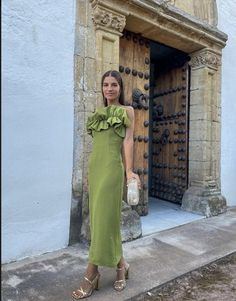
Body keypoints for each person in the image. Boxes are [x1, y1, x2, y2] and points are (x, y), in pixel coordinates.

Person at [72, 70, 141, 299]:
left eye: (114, 84)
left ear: (120, 88)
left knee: (104, 221)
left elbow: (128, 141)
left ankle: (91, 274)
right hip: (95, 171)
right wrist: (88, 176)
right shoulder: (98, 113)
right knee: (104, 223)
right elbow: (96, 147)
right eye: (106, 84)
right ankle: (122, 267)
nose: (109, 88)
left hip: (112, 171)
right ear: (102, 88)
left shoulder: (127, 111)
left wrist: (129, 171)